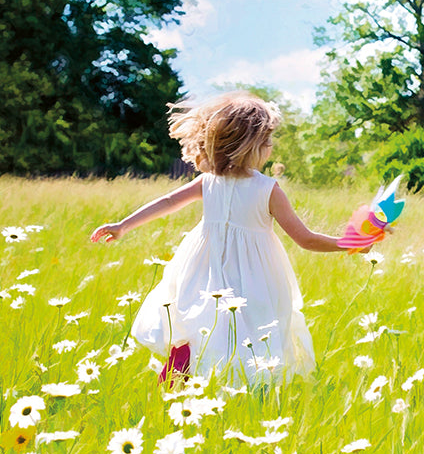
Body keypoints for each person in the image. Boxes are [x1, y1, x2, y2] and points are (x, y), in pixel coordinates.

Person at [90, 91, 352, 384]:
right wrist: (348, 243)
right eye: (266, 141)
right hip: (253, 275)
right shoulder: (268, 189)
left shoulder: (209, 181)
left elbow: (167, 202)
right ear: (249, 146)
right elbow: (305, 238)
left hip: (203, 265)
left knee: (200, 320)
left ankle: (183, 375)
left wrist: (123, 225)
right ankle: (243, 389)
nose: (270, 147)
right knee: (250, 331)